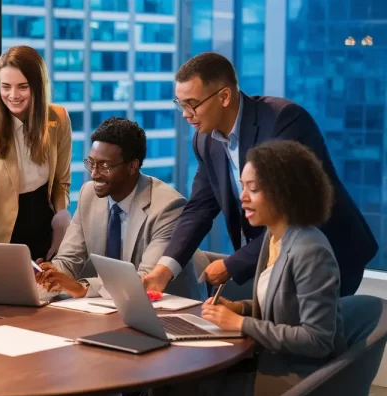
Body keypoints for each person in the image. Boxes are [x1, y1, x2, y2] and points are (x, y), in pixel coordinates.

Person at [146, 140, 347, 396]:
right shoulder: (274, 237)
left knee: (185, 391)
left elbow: (317, 340)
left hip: (297, 379)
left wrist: (240, 323)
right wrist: (239, 308)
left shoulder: (310, 250)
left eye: (254, 189)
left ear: (285, 191)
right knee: (168, 382)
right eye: (243, 187)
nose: (242, 198)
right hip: (266, 360)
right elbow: (284, 307)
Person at [142, 52, 377, 298]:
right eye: (180, 104)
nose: (185, 114)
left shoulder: (283, 121)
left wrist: (233, 264)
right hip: (271, 258)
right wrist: (164, 269)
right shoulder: (204, 140)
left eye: (192, 104)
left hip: (324, 254)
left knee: (306, 334)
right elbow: (200, 208)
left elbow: (296, 210)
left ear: (224, 97)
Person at [37, 118, 205, 396]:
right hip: (111, 313)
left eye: (105, 166)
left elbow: (143, 282)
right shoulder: (90, 194)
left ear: (132, 166)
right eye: (91, 162)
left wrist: (80, 287)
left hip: (162, 320)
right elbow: (70, 257)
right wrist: (51, 274)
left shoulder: (167, 207)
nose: (94, 173)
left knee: (96, 357)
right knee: (46, 345)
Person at [0, 45, 72, 261]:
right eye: (6, 87)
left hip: (44, 226)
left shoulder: (58, 118)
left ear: (38, 87)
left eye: (23, 87)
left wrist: (62, 225)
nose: (13, 95)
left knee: (44, 293)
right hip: (2, 234)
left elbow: (61, 183)